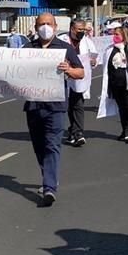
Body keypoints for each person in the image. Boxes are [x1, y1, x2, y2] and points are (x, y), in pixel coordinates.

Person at [23, 13, 84, 206]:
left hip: (56, 106)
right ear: (35, 26)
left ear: (55, 26)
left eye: (49, 24)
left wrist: (68, 70)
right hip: (33, 105)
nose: (45, 27)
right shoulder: (27, 49)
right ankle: (48, 175)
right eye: (42, 24)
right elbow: (13, 68)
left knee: (52, 145)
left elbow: (80, 72)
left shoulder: (64, 49)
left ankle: (49, 188)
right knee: (39, 146)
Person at [98, 23, 128, 144]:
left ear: (124, 35)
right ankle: (125, 131)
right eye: (113, 34)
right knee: (121, 108)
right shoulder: (110, 49)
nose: (114, 36)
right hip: (115, 84)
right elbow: (105, 65)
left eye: (117, 34)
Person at [59, 18, 98, 147]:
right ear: (72, 29)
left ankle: (78, 133)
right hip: (63, 79)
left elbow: (94, 58)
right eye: (79, 29)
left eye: (83, 29)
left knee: (78, 105)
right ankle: (72, 131)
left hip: (80, 79)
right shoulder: (62, 40)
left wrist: (93, 62)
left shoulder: (87, 42)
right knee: (69, 107)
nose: (82, 32)